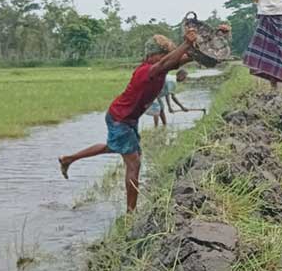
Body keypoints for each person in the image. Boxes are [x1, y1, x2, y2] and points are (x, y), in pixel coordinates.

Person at [58, 29, 198, 212]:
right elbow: (168, 61)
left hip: (125, 119)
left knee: (113, 147)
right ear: (152, 55)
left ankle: (68, 159)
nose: (167, 58)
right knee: (134, 163)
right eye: (164, 55)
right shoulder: (146, 71)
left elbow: (182, 59)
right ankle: (131, 212)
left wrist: (208, 41)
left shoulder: (161, 68)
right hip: (120, 119)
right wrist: (186, 44)